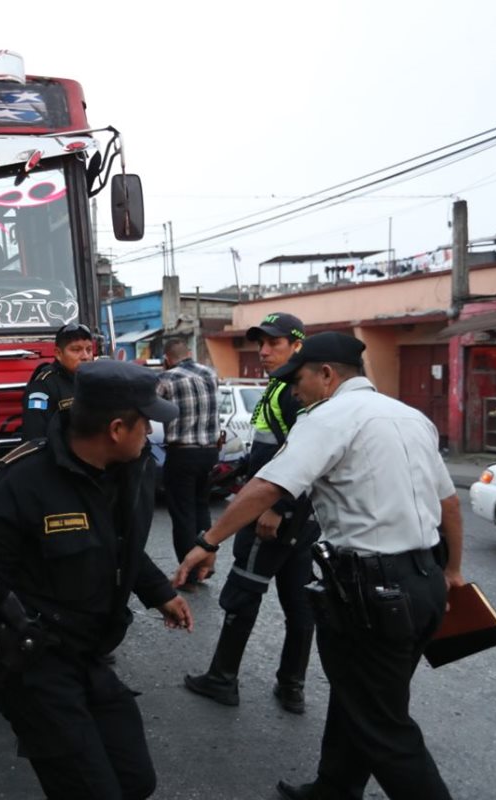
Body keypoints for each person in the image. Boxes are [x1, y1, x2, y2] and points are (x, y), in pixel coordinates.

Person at [174, 332, 465, 800]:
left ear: (327, 375)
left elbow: (268, 486)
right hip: (425, 581)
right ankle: (335, 787)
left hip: (374, 592)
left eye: (298, 380)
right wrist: (452, 573)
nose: (294, 391)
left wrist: (208, 541)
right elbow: (449, 503)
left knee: (384, 726)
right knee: (361, 697)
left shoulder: (327, 417)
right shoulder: (411, 417)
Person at [0, 360, 194, 800]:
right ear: (117, 429)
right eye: (146, 422)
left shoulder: (133, 470)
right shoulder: (24, 481)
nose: (151, 432)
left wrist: (160, 593)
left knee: (136, 781)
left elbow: (123, 546)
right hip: (35, 665)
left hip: (91, 655)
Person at [184, 312, 320, 713]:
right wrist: (239, 469)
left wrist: (277, 506)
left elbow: (307, 456)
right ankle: (291, 686)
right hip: (298, 518)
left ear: (297, 346)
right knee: (300, 601)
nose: (263, 351)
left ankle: (222, 679)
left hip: (273, 515)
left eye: (274, 343)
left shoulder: (292, 392)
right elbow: (271, 447)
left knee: (243, 592)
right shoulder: (280, 387)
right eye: (260, 343)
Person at [157, 337, 220, 576]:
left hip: (182, 453)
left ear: (167, 359)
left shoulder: (167, 378)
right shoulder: (210, 373)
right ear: (189, 353)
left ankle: (189, 572)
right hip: (210, 452)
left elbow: (151, 406)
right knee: (202, 507)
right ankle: (206, 564)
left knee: (183, 513)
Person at [20, 322, 95, 441]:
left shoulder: (95, 382)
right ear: (58, 354)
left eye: (89, 350)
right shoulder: (43, 387)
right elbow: (35, 438)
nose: (85, 356)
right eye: (76, 350)